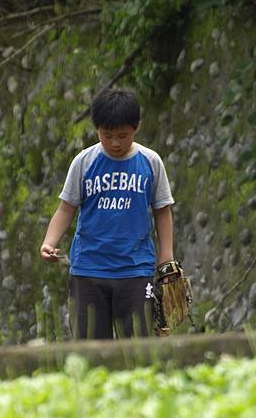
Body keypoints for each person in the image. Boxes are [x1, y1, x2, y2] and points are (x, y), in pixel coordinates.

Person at [40, 87, 175, 339]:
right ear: (97, 130)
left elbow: (162, 210)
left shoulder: (151, 161)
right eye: (107, 135)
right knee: (90, 350)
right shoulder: (84, 161)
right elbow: (66, 207)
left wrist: (166, 256)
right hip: (88, 269)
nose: (114, 143)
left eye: (122, 135)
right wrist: (50, 242)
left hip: (135, 270)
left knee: (138, 349)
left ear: (136, 127)